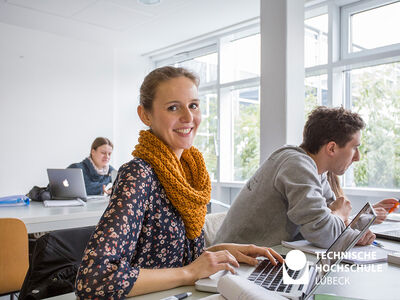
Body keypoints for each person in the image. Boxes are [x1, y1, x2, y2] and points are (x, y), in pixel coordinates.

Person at [75, 66, 283, 299]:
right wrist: (189, 272)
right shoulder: (138, 174)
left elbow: (167, 258)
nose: (188, 117)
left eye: (193, 105)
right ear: (145, 115)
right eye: (173, 107)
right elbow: (94, 280)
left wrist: (218, 252)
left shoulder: (189, 173)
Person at [214, 106, 397, 249]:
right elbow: (323, 231)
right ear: (332, 148)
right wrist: (339, 216)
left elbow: (333, 222)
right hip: (230, 266)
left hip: (258, 259)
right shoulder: (296, 165)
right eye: (354, 147)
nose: (357, 157)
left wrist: (354, 231)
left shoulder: (316, 170)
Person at [326, 171, 398, 225]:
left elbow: (342, 223)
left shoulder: (331, 177)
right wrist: (362, 218)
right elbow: (328, 230)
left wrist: (365, 214)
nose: (357, 157)